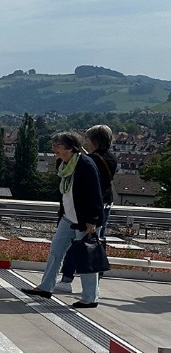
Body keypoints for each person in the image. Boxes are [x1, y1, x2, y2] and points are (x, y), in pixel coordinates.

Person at [27, 132, 104, 308]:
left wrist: (93, 220)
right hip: (68, 218)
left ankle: (90, 297)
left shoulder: (85, 164)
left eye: (58, 145)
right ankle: (46, 287)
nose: (54, 148)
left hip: (85, 221)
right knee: (56, 251)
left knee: (86, 257)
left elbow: (95, 194)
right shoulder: (63, 164)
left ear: (70, 147)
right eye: (54, 144)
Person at [56, 125, 117, 293]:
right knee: (94, 243)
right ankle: (94, 285)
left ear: (93, 140)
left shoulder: (90, 161)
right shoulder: (111, 158)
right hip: (106, 204)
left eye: (88, 139)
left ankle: (67, 279)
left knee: (79, 243)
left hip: (90, 208)